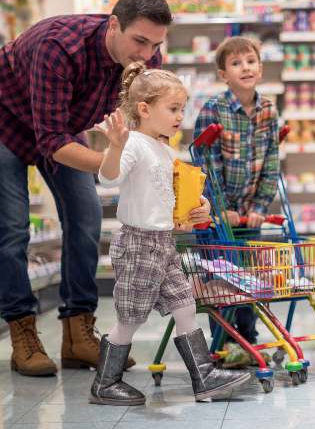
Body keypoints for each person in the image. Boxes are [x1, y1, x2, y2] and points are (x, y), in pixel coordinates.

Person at [0, 0, 210, 377]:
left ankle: (78, 333)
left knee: (86, 218)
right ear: (114, 25)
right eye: (139, 41)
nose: (147, 53)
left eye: (155, 44)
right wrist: (117, 163)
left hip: (65, 126)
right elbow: (51, 141)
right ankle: (23, 331)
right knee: (12, 228)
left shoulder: (146, 57)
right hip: (3, 117)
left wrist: (179, 188)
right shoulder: (57, 47)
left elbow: (150, 131)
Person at [90, 62, 249, 406]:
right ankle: (105, 382)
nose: (180, 116)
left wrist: (202, 204)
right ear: (145, 110)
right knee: (130, 318)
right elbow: (108, 178)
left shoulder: (164, 148)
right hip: (138, 244)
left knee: (185, 305)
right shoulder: (132, 143)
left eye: (182, 109)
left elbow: (175, 193)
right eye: (173, 109)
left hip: (164, 243)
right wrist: (114, 147)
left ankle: (203, 375)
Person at [194, 36, 280, 367]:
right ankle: (223, 343)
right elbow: (204, 164)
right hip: (219, 219)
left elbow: (271, 163)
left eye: (250, 61)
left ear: (260, 67)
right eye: (235, 63)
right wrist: (219, 210)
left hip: (250, 217)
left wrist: (260, 207)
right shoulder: (213, 110)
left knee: (250, 277)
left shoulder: (269, 110)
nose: (245, 67)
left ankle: (249, 339)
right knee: (223, 280)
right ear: (223, 74)